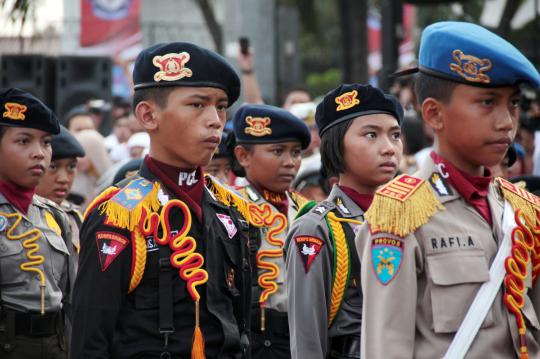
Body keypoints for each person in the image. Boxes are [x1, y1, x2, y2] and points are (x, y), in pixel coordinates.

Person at [356, 21, 540, 359]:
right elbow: (386, 347)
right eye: (487, 102)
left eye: (512, 103)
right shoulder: (401, 215)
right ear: (434, 114)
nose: (506, 122)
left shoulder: (523, 212)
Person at [70, 41, 260, 359]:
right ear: (148, 115)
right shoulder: (119, 214)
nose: (215, 119)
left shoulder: (231, 209)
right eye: (197, 105)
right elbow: (90, 341)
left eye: (221, 106)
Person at [286, 84, 403, 359]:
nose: (389, 148)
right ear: (336, 145)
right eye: (371, 135)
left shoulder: (413, 217)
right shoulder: (317, 229)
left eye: (395, 135)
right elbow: (307, 340)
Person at [230, 104, 311, 359]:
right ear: (243, 156)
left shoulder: (308, 210)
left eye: (296, 152)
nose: (290, 163)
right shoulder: (229, 206)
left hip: (302, 333)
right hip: (253, 336)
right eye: (277, 151)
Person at [0, 88, 74, 358]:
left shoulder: (54, 215)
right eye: (23, 141)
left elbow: (70, 301)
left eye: (45, 142)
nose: (39, 153)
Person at [36, 125, 86, 254]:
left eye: (71, 167)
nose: (64, 179)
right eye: (53, 167)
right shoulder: (16, 215)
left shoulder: (76, 216)